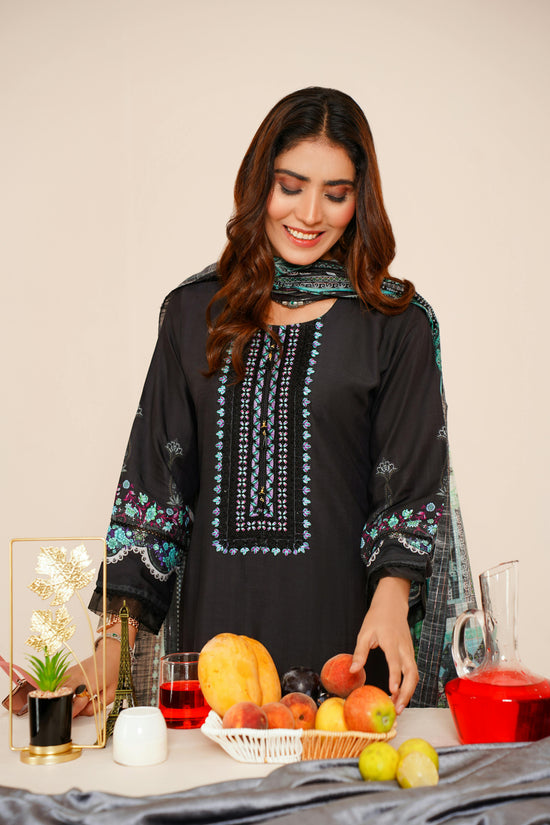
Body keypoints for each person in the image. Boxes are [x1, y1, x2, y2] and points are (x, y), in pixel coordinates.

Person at [69, 86, 476, 718]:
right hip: (211, 664)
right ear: (259, 182)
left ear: (361, 201)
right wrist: (110, 651)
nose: (310, 213)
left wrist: (394, 600)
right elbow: (153, 497)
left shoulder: (396, 323)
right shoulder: (194, 313)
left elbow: (409, 493)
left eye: (336, 194)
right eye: (291, 186)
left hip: (348, 659)